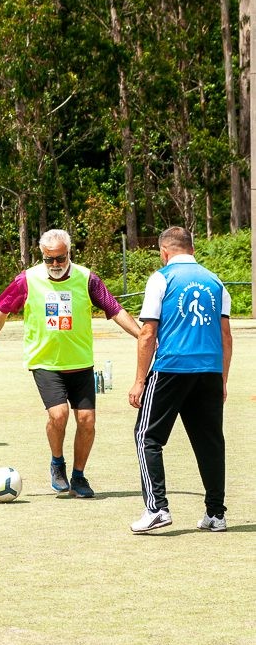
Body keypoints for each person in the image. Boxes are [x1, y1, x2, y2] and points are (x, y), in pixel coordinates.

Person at [0, 228, 140, 497]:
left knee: (86, 421)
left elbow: (115, 309)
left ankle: (79, 476)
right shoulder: (27, 280)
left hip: (81, 362)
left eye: (59, 259)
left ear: (69, 254)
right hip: (46, 363)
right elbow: (1, 312)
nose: (54, 265)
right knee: (58, 414)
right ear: (42, 256)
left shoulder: (88, 279)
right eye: (48, 259)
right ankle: (57, 463)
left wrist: (142, 335)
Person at [129, 226, 232, 534]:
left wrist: (138, 381)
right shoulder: (215, 281)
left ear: (164, 252)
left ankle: (156, 508)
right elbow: (226, 336)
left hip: (172, 367)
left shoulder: (161, 278)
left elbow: (148, 333)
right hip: (210, 370)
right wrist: (223, 379)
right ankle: (215, 514)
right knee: (210, 443)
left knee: (147, 437)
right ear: (192, 249)